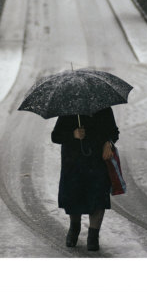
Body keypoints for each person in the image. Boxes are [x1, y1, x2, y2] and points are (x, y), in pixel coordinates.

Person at [51, 107, 119, 251]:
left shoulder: (104, 108)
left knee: (99, 197)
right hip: (74, 163)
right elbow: (55, 136)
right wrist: (73, 134)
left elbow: (114, 132)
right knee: (74, 197)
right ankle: (74, 228)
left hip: (98, 162)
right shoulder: (69, 110)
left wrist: (109, 143)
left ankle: (93, 236)